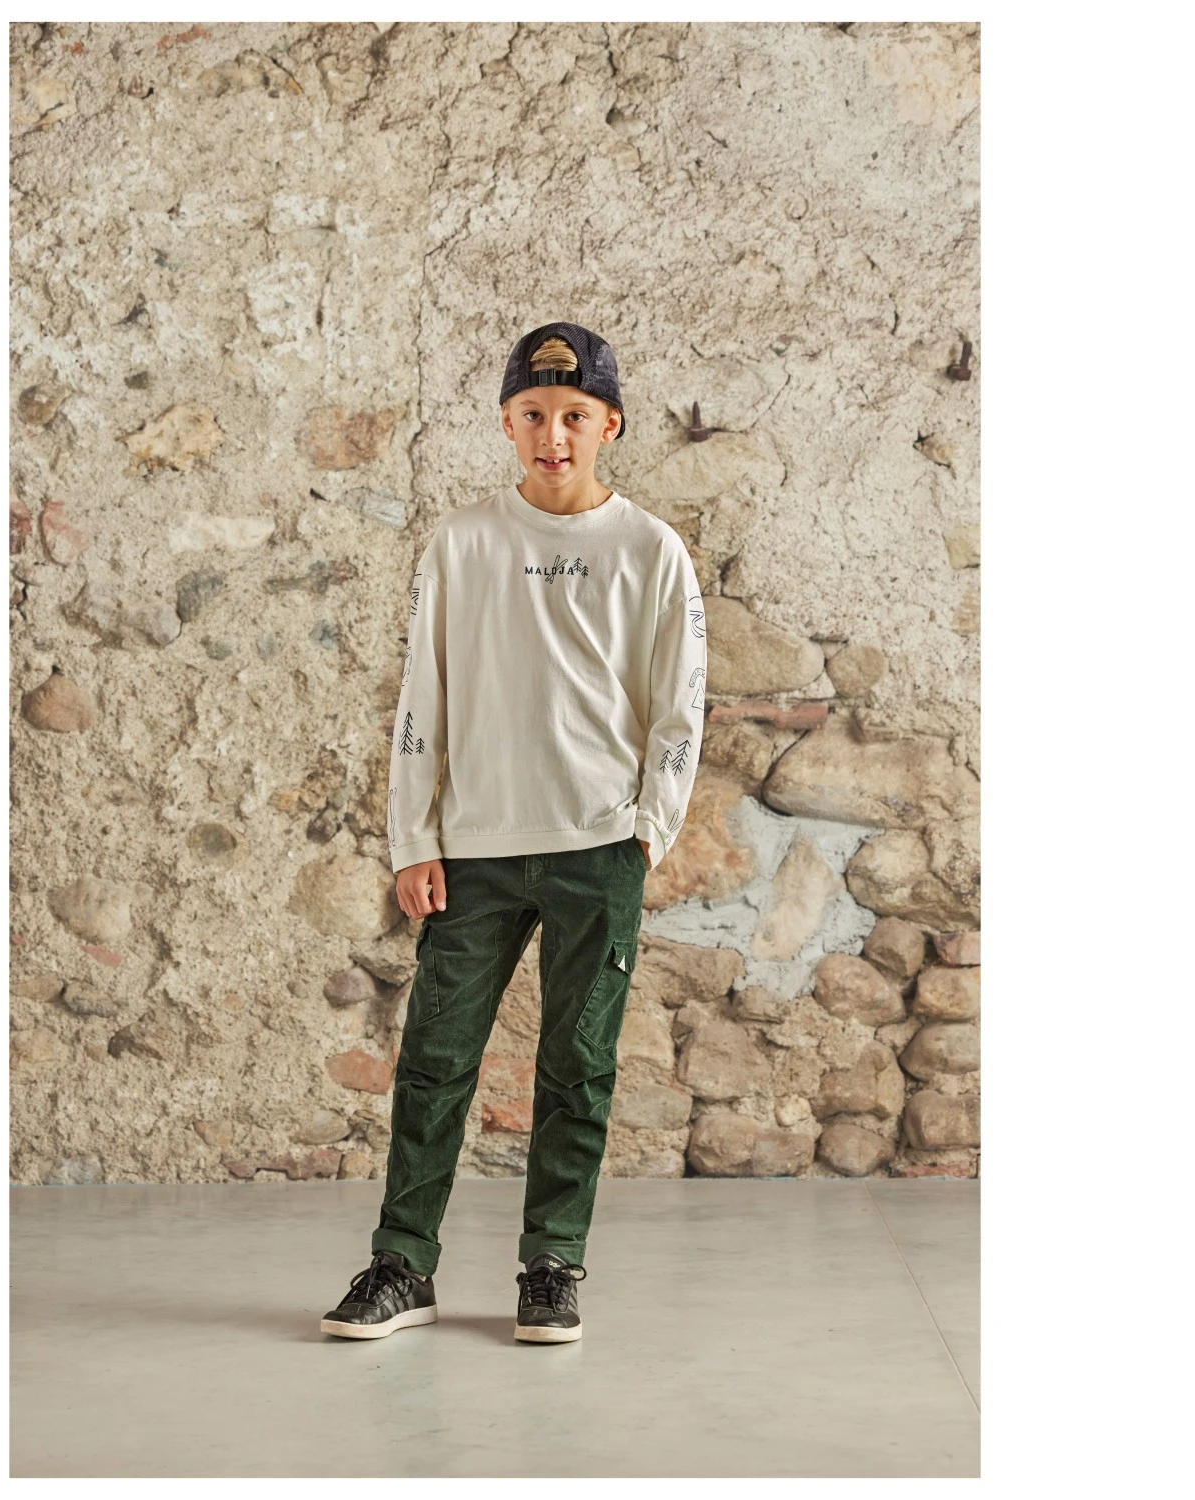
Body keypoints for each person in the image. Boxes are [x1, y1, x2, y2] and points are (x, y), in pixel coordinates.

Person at [321, 321, 707, 1343]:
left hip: (599, 846)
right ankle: (402, 1265)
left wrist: (650, 830)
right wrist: (414, 837)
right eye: (533, 414)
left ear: (609, 423)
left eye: (575, 415)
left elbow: (679, 706)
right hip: (476, 848)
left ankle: (552, 1264)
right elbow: (424, 695)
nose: (553, 436)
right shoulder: (465, 543)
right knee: (435, 1060)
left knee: (578, 1067)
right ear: (506, 422)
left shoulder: (649, 551)